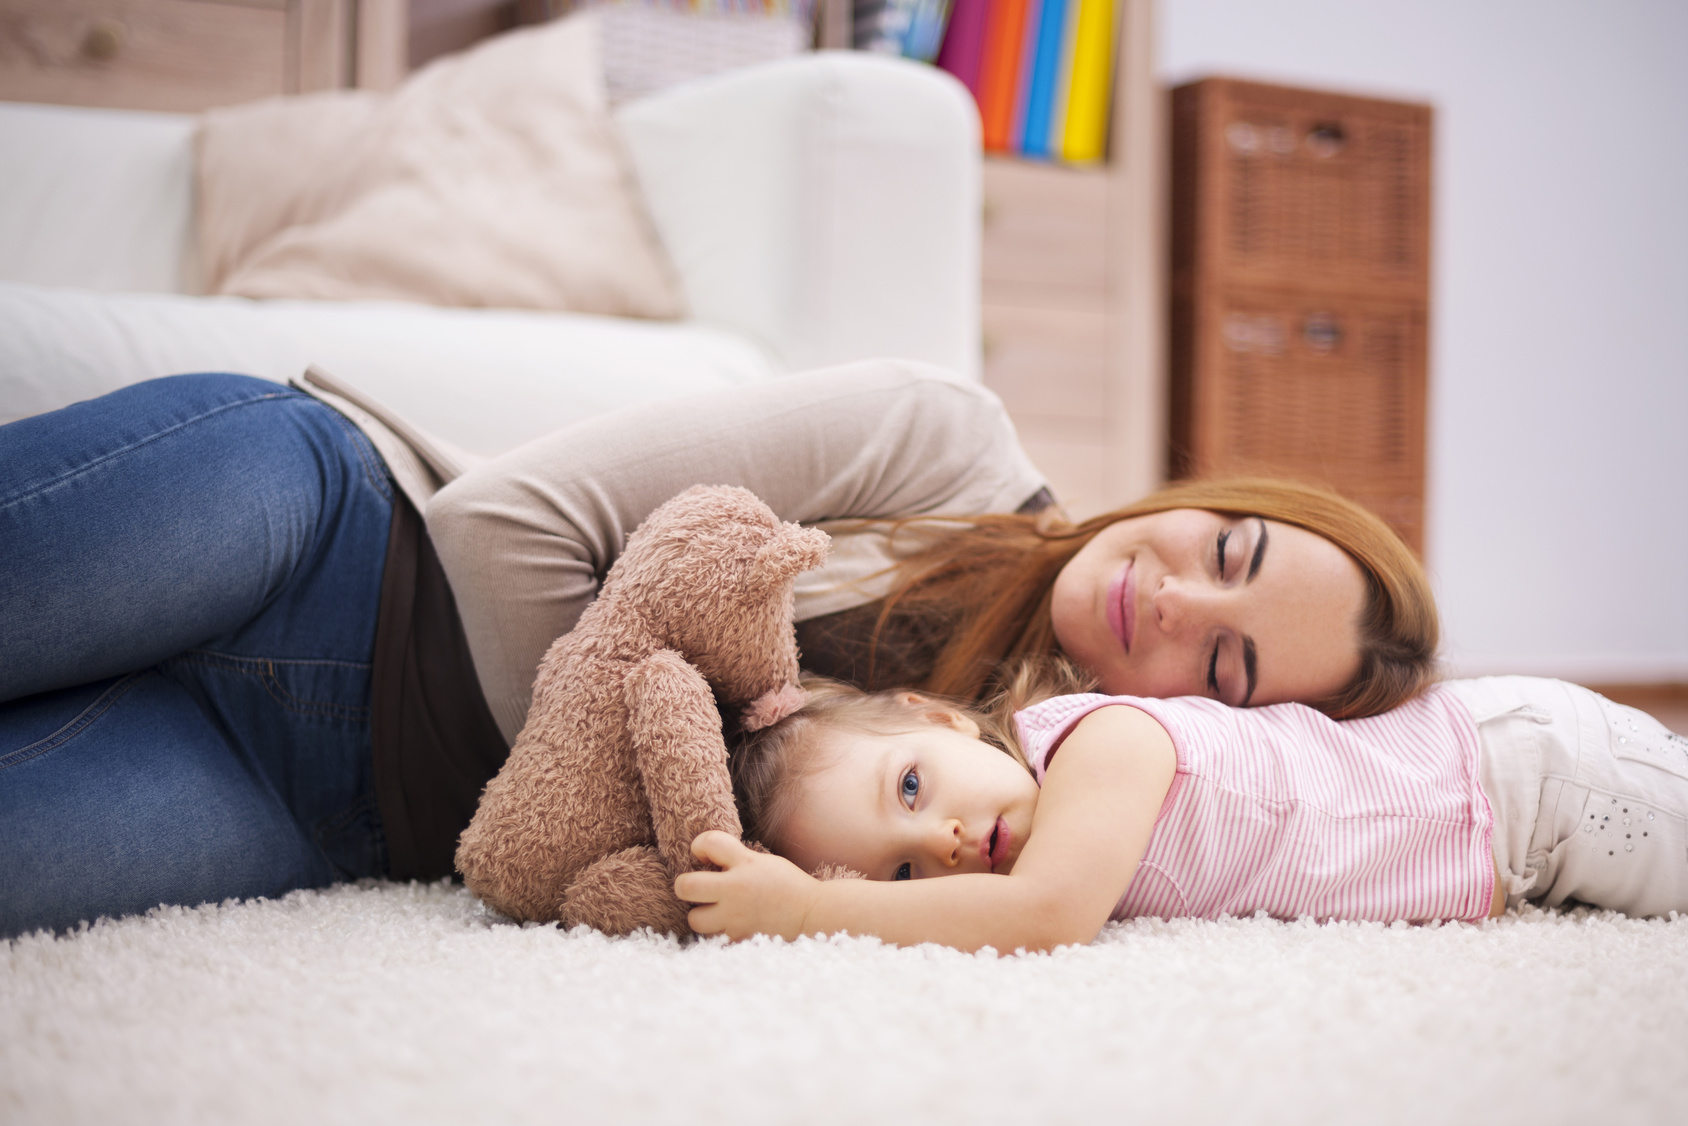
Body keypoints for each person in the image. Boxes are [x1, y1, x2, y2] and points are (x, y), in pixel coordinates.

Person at [0, 358, 1434, 937]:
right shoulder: (945, 440)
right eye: (1228, 551)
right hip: (328, 536)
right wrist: (701, 738)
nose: (1178, 606)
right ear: (1208, 500)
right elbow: (507, 525)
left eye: (1231, 665)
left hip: (339, 805)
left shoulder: (1028, 797)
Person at [679, 669, 1688, 952]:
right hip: (1512, 846)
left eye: (909, 785)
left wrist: (808, 913)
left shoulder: (1100, 743)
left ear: (941, 716)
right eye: (899, 872)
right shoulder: (1038, 839)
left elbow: (1042, 917)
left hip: (1529, 778)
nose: (938, 844)